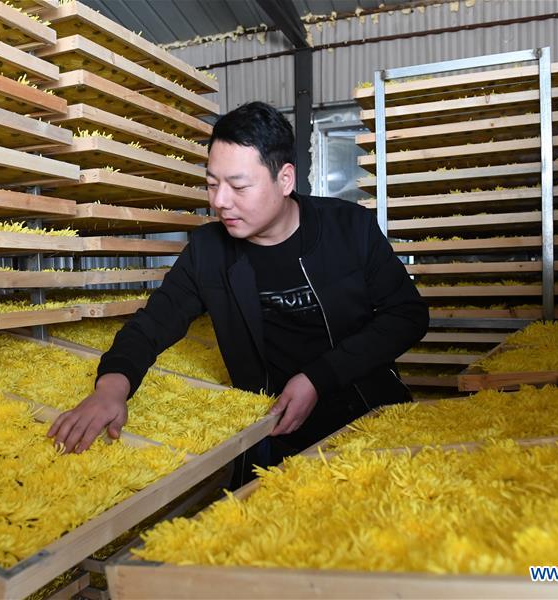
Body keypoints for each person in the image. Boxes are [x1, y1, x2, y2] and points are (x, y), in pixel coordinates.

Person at [48, 101, 429, 480]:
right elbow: (153, 324)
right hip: (274, 430)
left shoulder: (348, 228)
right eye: (212, 185)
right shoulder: (209, 251)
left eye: (238, 186)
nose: (220, 202)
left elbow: (407, 315)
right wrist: (111, 388)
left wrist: (318, 378)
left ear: (285, 180)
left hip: (369, 415)